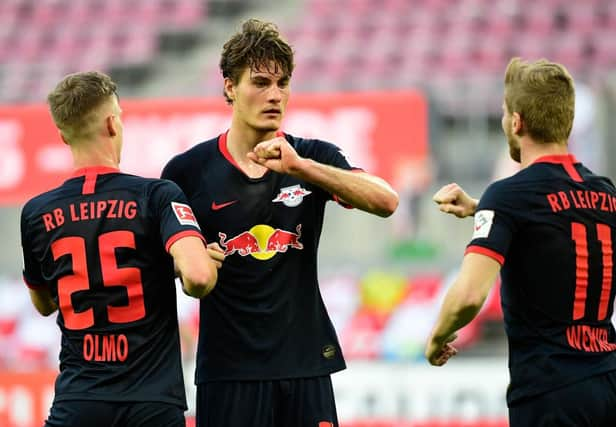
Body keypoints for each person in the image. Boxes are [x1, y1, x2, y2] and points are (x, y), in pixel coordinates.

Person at [161, 18, 399, 427]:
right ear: (229, 87)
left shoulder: (311, 157)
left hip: (306, 365)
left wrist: (304, 168)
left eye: (283, 83)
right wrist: (191, 263)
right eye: (260, 82)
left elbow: (386, 201)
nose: (275, 95)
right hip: (228, 373)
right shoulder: (188, 171)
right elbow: (161, 262)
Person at [20, 71, 220, 427]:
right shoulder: (156, 196)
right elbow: (199, 278)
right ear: (113, 124)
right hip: (151, 402)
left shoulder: (37, 213)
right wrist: (179, 263)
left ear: (63, 134)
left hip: (78, 401)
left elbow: (44, 303)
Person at [425, 57, 616, 426]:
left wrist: (437, 337)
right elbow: (557, 222)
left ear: (516, 122)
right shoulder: (605, 194)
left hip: (550, 393)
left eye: (502, 112)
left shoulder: (510, 195)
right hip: (607, 381)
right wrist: (482, 210)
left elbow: (468, 297)